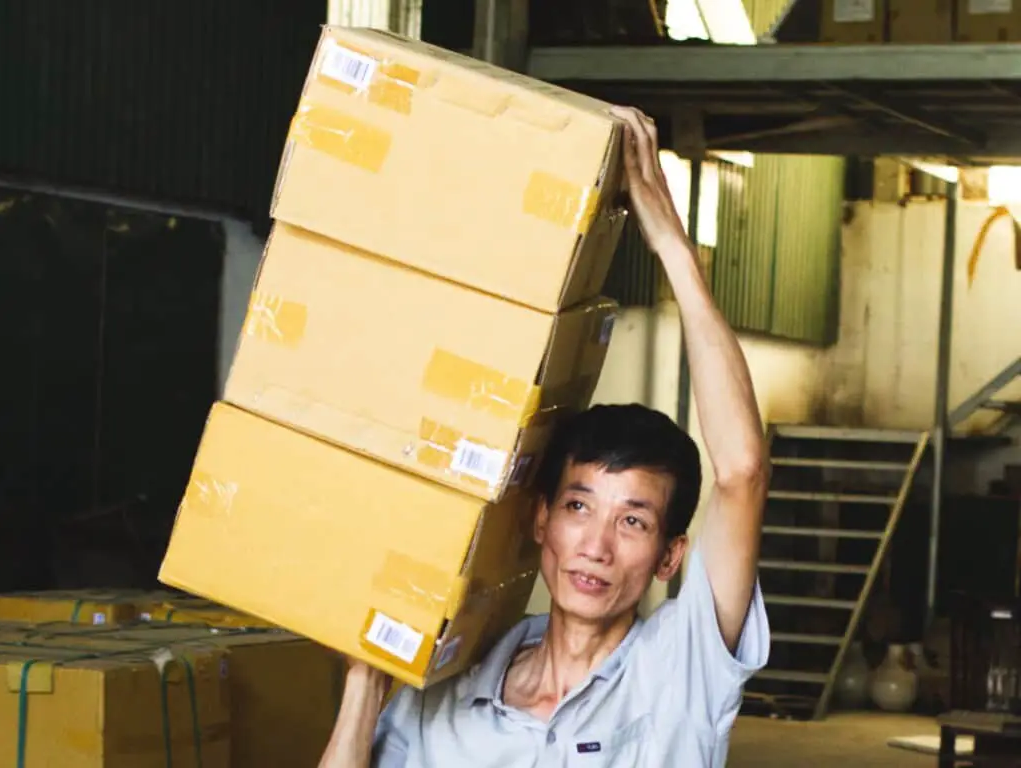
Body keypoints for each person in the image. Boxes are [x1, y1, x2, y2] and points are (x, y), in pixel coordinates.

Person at [318, 106, 770, 768]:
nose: (595, 546)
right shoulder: (447, 691)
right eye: (579, 506)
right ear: (540, 519)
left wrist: (674, 249)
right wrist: (365, 682)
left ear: (670, 559)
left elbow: (741, 473)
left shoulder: (679, 675)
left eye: (633, 522)